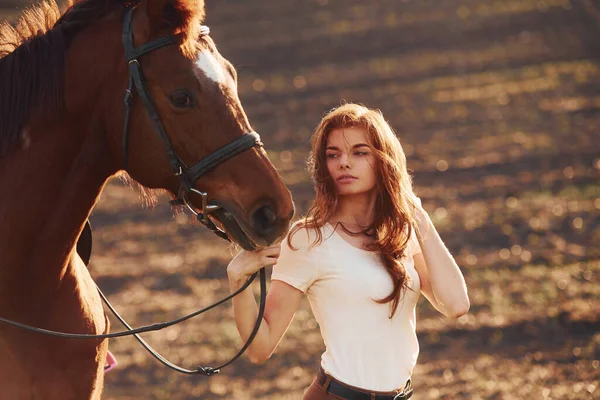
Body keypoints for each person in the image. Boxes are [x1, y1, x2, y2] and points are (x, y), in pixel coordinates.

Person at [227, 103, 470, 400]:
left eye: (359, 152)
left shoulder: (402, 233)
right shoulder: (308, 239)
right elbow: (259, 348)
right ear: (323, 165)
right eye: (333, 155)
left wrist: (420, 219)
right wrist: (238, 280)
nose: (344, 162)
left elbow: (456, 305)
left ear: (383, 161)